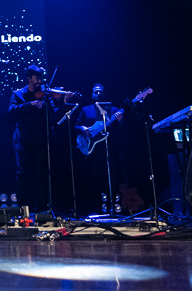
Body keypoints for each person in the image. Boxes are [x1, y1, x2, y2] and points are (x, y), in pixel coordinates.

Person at [9, 65, 72, 213]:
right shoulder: (17, 94)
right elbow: (11, 111)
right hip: (23, 141)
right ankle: (24, 208)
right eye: (37, 78)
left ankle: (41, 208)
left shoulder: (45, 95)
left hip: (41, 140)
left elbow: (55, 115)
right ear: (29, 79)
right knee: (24, 174)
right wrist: (29, 105)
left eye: (40, 78)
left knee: (41, 173)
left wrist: (64, 103)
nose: (40, 81)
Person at [74, 83, 123, 215]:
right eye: (95, 92)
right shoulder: (86, 110)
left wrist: (120, 121)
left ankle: (112, 207)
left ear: (105, 93)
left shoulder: (114, 110)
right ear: (92, 95)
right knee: (94, 178)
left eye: (101, 92)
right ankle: (95, 207)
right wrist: (83, 129)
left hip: (110, 148)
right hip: (92, 150)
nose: (98, 94)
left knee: (111, 176)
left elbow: (122, 131)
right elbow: (76, 127)